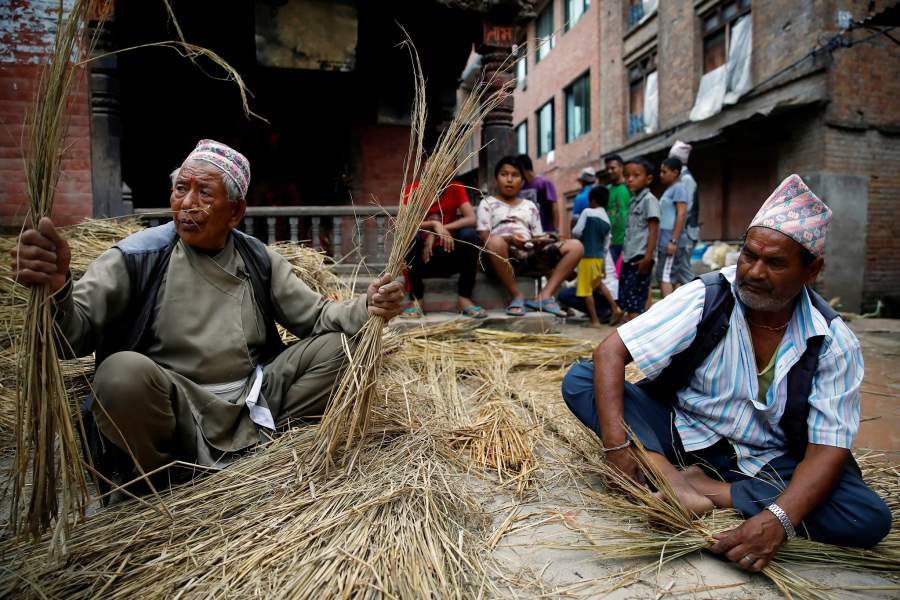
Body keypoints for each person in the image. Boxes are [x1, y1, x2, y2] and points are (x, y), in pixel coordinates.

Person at [10, 139, 405, 490]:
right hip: (174, 409)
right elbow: (70, 338)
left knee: (342, 348)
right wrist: (57, 289)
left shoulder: (257, 259)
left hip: (253, 402)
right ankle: (164, 477)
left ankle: (258, 451)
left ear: (235, 212)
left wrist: (367, 306)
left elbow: (315, 317)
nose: (187, 203)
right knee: (119, 375)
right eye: (181, 189)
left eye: (204, 192)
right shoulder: (137, 258)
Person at [562, 174, 891, 572]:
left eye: (775, 263)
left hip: (764, 459)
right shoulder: (709, 296)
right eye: (749, 255)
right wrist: (617, 448)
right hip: (679, 433)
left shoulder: (832, 342)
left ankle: (710, 490)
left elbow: (827, 450)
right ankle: (667, 474)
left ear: (812, 271)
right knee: (582, 380)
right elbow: (611, 352)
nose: (754, 272)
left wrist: (779, 520)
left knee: (865, 517)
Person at [477, 156, 583, 317]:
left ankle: (544, 296)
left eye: (515, 175)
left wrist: (540, 241)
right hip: (500, 258)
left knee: (576, 246)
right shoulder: (487, 203)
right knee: (495, 242)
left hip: (528, 256)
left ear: (522, 181)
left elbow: (537, 235)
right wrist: (509, 240)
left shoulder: (530, 206)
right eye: (504, 174)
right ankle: (516, 295)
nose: (509, 179)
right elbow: (485, 238)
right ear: (496, 179)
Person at [401, 180, 485, 319]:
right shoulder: (412, 189)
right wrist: (434, 224)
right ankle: (417, 299)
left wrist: (439, 230)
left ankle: (464, 298)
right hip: (422, 259)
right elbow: (405, 222)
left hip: (448, 253)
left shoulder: (456, 187)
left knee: (469, 235)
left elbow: (471, 219)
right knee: (409, 237)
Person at [571, 186, 623, 327]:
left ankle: (594, 321)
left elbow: (577, 232)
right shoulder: (607, 220)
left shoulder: (587, 212)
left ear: (593, 200)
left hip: (586, 257)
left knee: (586, 290)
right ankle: (615, 308)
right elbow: (606, 245)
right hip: (599, 258)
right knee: (599, 284)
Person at [618, 157, 659, 321]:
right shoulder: (633, 201)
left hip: (640, 258)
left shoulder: (649, 200)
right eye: (627, 175)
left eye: (636, 175)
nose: (630, 179)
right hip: (629, 257)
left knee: (634, 302)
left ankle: (634, 333)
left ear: (648, 179)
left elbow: (653, 230)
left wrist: (648, 257)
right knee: (628, 299)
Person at [656, 157, 692, 298]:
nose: (661, 175)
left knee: (665, 277)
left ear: (675, 172)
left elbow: (681, 214)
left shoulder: (679, 189)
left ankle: (667, 308)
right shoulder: (670, 190)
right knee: (672, 277)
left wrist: (674, 240)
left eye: (664, 172)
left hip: (671, 241)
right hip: (666, 240)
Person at [669, 140, 700, 284]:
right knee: (679, 269)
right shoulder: (681, 178)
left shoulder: (686, 179)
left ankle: (698, 293)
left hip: (686, 231)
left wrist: (676, 233)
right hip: (682, 231)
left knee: (684, 269)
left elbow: (685, 209)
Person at [516, 154, 565, 237]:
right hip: (527, 233)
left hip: (546, 231)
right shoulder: (520, 187)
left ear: (522, 168)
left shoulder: (544, 183)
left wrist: (555, 230)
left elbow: (554, 207)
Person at [604, 154, 631, 265]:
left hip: (628, 241)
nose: (609, 171)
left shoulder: (630, 187)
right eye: (607, 169)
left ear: (621, 168)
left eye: (613, 168)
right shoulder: (606, 191)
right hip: (610, 242)